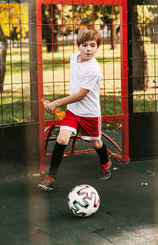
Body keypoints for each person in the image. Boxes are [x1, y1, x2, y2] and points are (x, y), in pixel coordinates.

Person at [38, 28, 112, 192]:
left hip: (90, 114)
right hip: (73, 111)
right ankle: (51, 177)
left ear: (98, 47)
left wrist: (57, 103)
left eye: (92, 45)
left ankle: (105, 162)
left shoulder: (94, 69)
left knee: (96, 143)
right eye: (84, 45)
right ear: (78, 46)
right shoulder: (74, 58)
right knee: (62, 139)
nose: (88, 49)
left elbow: (81, 95)